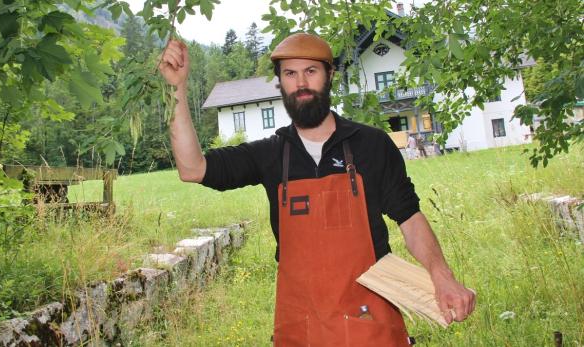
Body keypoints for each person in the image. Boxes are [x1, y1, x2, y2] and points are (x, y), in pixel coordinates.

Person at [159, 33, 475, 346]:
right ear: (280, 83)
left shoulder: (371, 144)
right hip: (302, 329)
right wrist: (177, 88)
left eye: (310, 71)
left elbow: (409, 217)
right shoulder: (271, 154)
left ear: (329, 75)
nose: (301, 83)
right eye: (290, 74)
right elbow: (192, 168)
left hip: (371, 324)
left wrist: (442, 275)